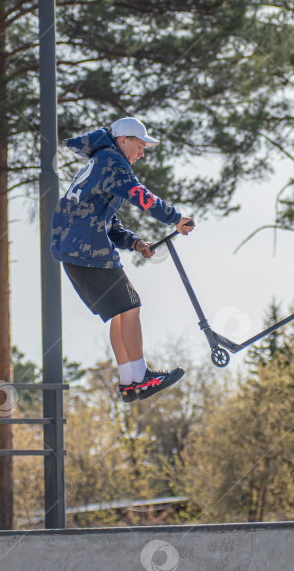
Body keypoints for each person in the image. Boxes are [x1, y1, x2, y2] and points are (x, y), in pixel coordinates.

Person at [51, 117, 195, 403]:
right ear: (123, 140)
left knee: (121, 312)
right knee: (131, 304)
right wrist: (176, 218)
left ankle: (129, 382)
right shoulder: (111, 161)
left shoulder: (99, 163)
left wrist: (134, 243)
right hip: (87, 250)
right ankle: (142, 377)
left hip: (75, 250)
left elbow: (106, 219)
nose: (141, 154)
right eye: (140, 146)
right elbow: (141, 196)